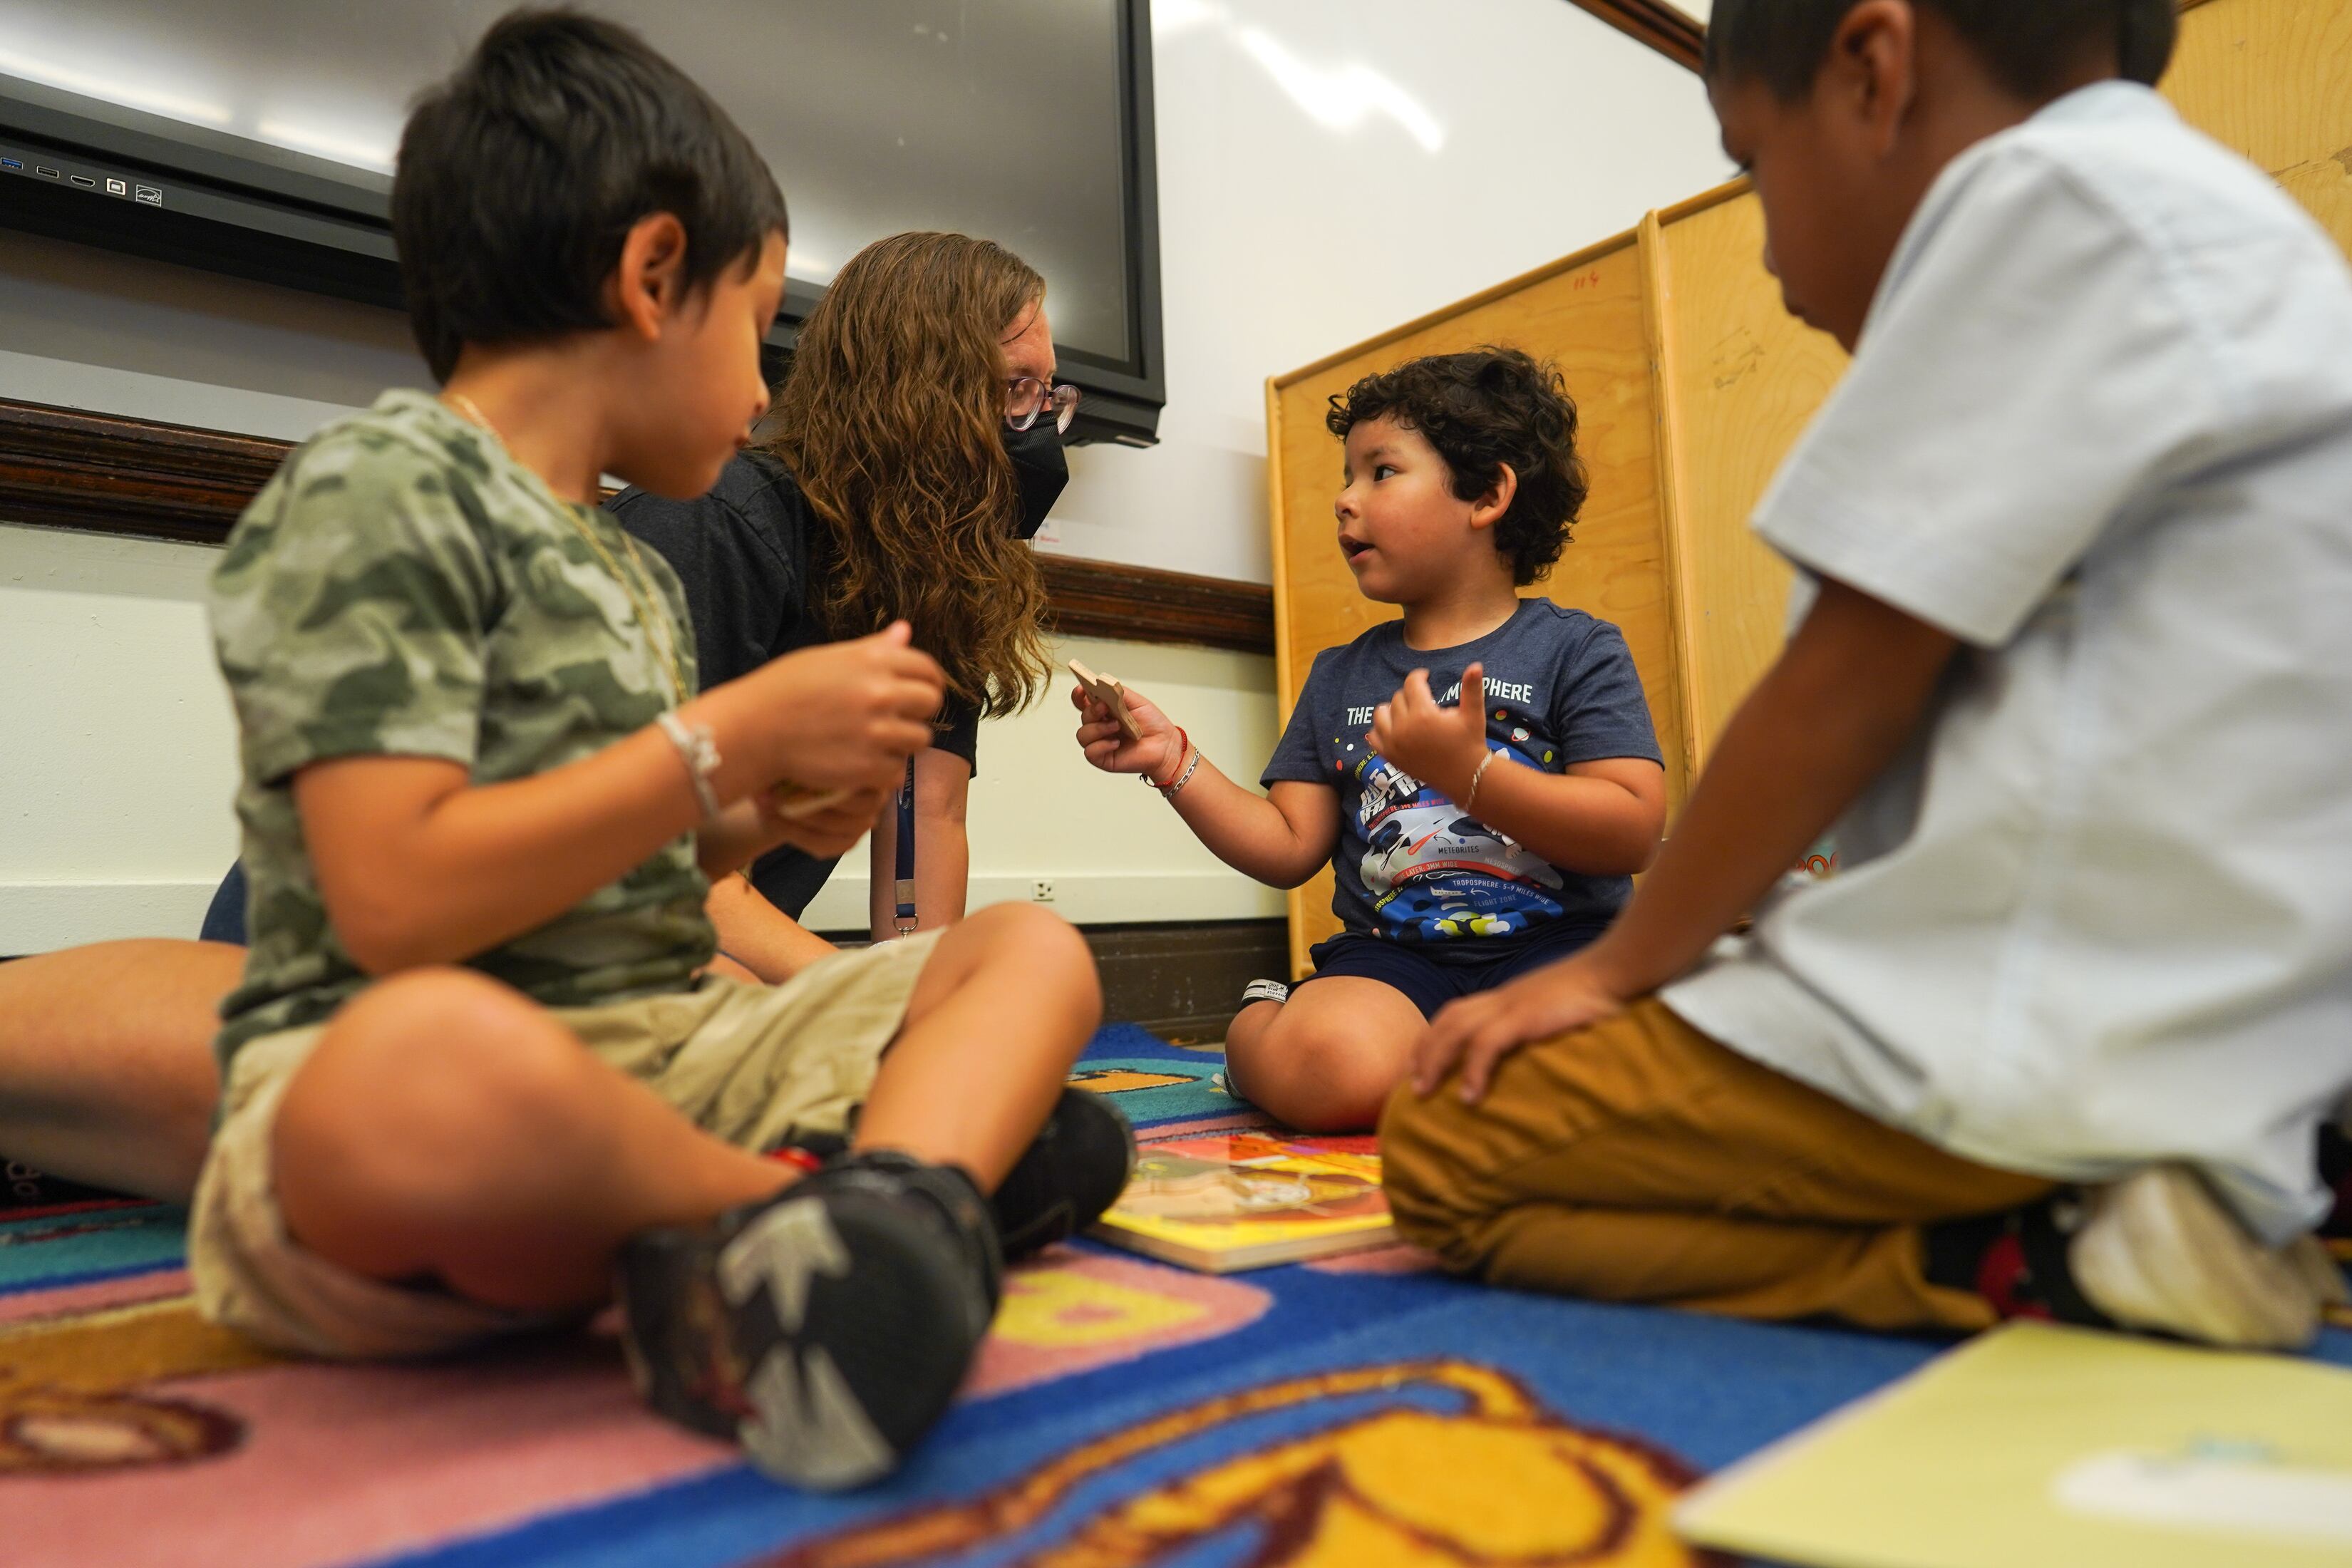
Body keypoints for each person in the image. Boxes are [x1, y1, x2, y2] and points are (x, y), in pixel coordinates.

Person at [185, 11, 1122, 1488]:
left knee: (1031, 958)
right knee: (408, 1081)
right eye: (757, 331)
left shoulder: (617, 567)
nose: (768, 393)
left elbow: (643, 875)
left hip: (653, 1053)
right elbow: (390, 902)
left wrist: (761, 820)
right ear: (651, 277)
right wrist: (724, 742)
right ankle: (823, 1214)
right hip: (431, 1060)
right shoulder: (381, 490)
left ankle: (857, 1215)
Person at [1379, 0, 2352, 1350]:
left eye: (1753, 168)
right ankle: (2156, 1207)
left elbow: (1843, 685)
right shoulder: (2233, 235)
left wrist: (1614, 974)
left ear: (1876, 69)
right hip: (2261, 1026)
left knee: (1443, 1145)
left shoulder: (2039, 201)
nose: (1768, 237)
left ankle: (2036, 1262)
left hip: (2043, 1027)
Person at [1073, 349, 1668, 1131]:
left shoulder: (1579, 650)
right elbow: (1289, 845)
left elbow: (1632, 829)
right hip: (1395, 959)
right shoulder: (1340, 676)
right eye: (1347, 476)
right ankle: (1261, 1028)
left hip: (1565, 949)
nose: (1345, 501)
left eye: (1380, 472)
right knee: (1337, 1071)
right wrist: (1172, 760)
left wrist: (1471, 772)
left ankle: (1446, 1065)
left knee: (1617, 1078)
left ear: (1487, 493)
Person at [609, 229, 1071, 978]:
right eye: (1016, 389)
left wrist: (918, 998)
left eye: (1048, 396)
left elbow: (931, 822)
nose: (1036, 427)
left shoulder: (936, 579)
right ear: (922, 387)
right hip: (610, 932)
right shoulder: (717, 522)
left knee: (1036, 967)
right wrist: (871, 1005)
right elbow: (648, 863)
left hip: (731, 960)